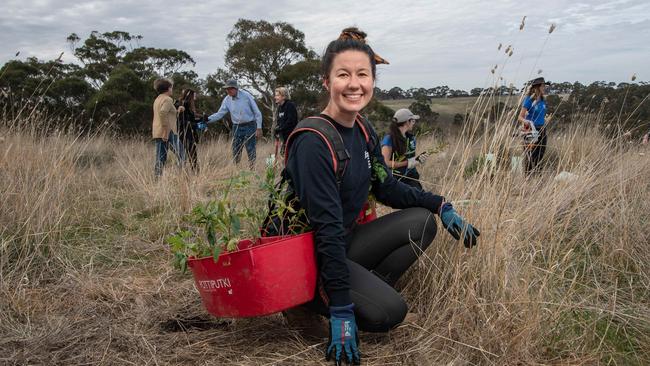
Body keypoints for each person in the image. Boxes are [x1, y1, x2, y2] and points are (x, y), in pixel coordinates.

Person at [283, 27, 480, 365]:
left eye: (363, 74)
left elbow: (385, 186)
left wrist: (440, 204)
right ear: (326, 82)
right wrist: (343, 310)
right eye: (343, 74)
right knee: (391, 314)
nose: (354, 83)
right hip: (311, 255)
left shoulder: (363, 129)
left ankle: (364, 293)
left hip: (346, 242)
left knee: (422, 223)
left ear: (373, 81)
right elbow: (326, 231)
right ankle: (311, 304)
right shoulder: (313, 141)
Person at [206, 79, 263, 168]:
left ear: (236, 88)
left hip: (250, 125)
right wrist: (207, 119)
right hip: (236, 127)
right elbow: (219, 114)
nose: (228, 91)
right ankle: (236, 169)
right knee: (236, 149)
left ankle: (252, 169)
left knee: (250, 149)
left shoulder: (246, 96)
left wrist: (259, 128)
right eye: (227, 89)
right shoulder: (227, 100)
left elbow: (257, 112)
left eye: (230, 89)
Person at [381, 108, 429, 189]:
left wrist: (417, 160)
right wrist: (407, 163)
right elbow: (385, 163)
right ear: (407, 122)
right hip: (396, 180)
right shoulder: (389, 139)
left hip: (411, 178)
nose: (414, 123)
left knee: (420, 198)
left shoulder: (410, 138)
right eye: (413, 121)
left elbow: (410, 158)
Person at [152, 78, 184, 178]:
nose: (172, 90)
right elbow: (163, 113)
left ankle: (157, 180)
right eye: (171, 87)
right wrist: (166, 131)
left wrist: (178, 110)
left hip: (157, 132)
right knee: (182, 155)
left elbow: (167, 114)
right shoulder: (168, 99)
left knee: (160, 158)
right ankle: (182, 177)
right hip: (168, 132)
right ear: (168, 88)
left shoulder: (157, 99)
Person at [518, 77, 550, 173]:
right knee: (531, 155)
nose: (545, 88)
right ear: (537, 87)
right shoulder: (529, 99)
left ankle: (537, 178)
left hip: (542, 130)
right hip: (531, 130)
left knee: (540, 154)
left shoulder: (542, 100)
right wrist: (526, 122)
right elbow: (520, 117)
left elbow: (540, 115)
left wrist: (545, 120)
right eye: (543, 86)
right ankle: (528, 179)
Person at [175, 88, 205, 173]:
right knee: (189, 155)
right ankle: (192, 172)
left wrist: (202, 119)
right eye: (194, 95)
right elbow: (182, 122)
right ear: (190, 95)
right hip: (185, 135)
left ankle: (195, 172)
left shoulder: (188, 106)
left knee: (193, 155)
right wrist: (196, 125)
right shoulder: (182, 105)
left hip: (190, 134)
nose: (195, 97)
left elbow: (191, 119)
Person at [273, 86, 299, 151]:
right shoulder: (280, 107)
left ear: (284, 96)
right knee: (283, 154)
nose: (275, 97)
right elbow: (279, 121)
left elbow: (291, 121)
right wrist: (277, 129)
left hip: (291, 137)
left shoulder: (290, 105)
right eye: (275, 95)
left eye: (277, 95)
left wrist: (281, 128)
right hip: (284, 137)